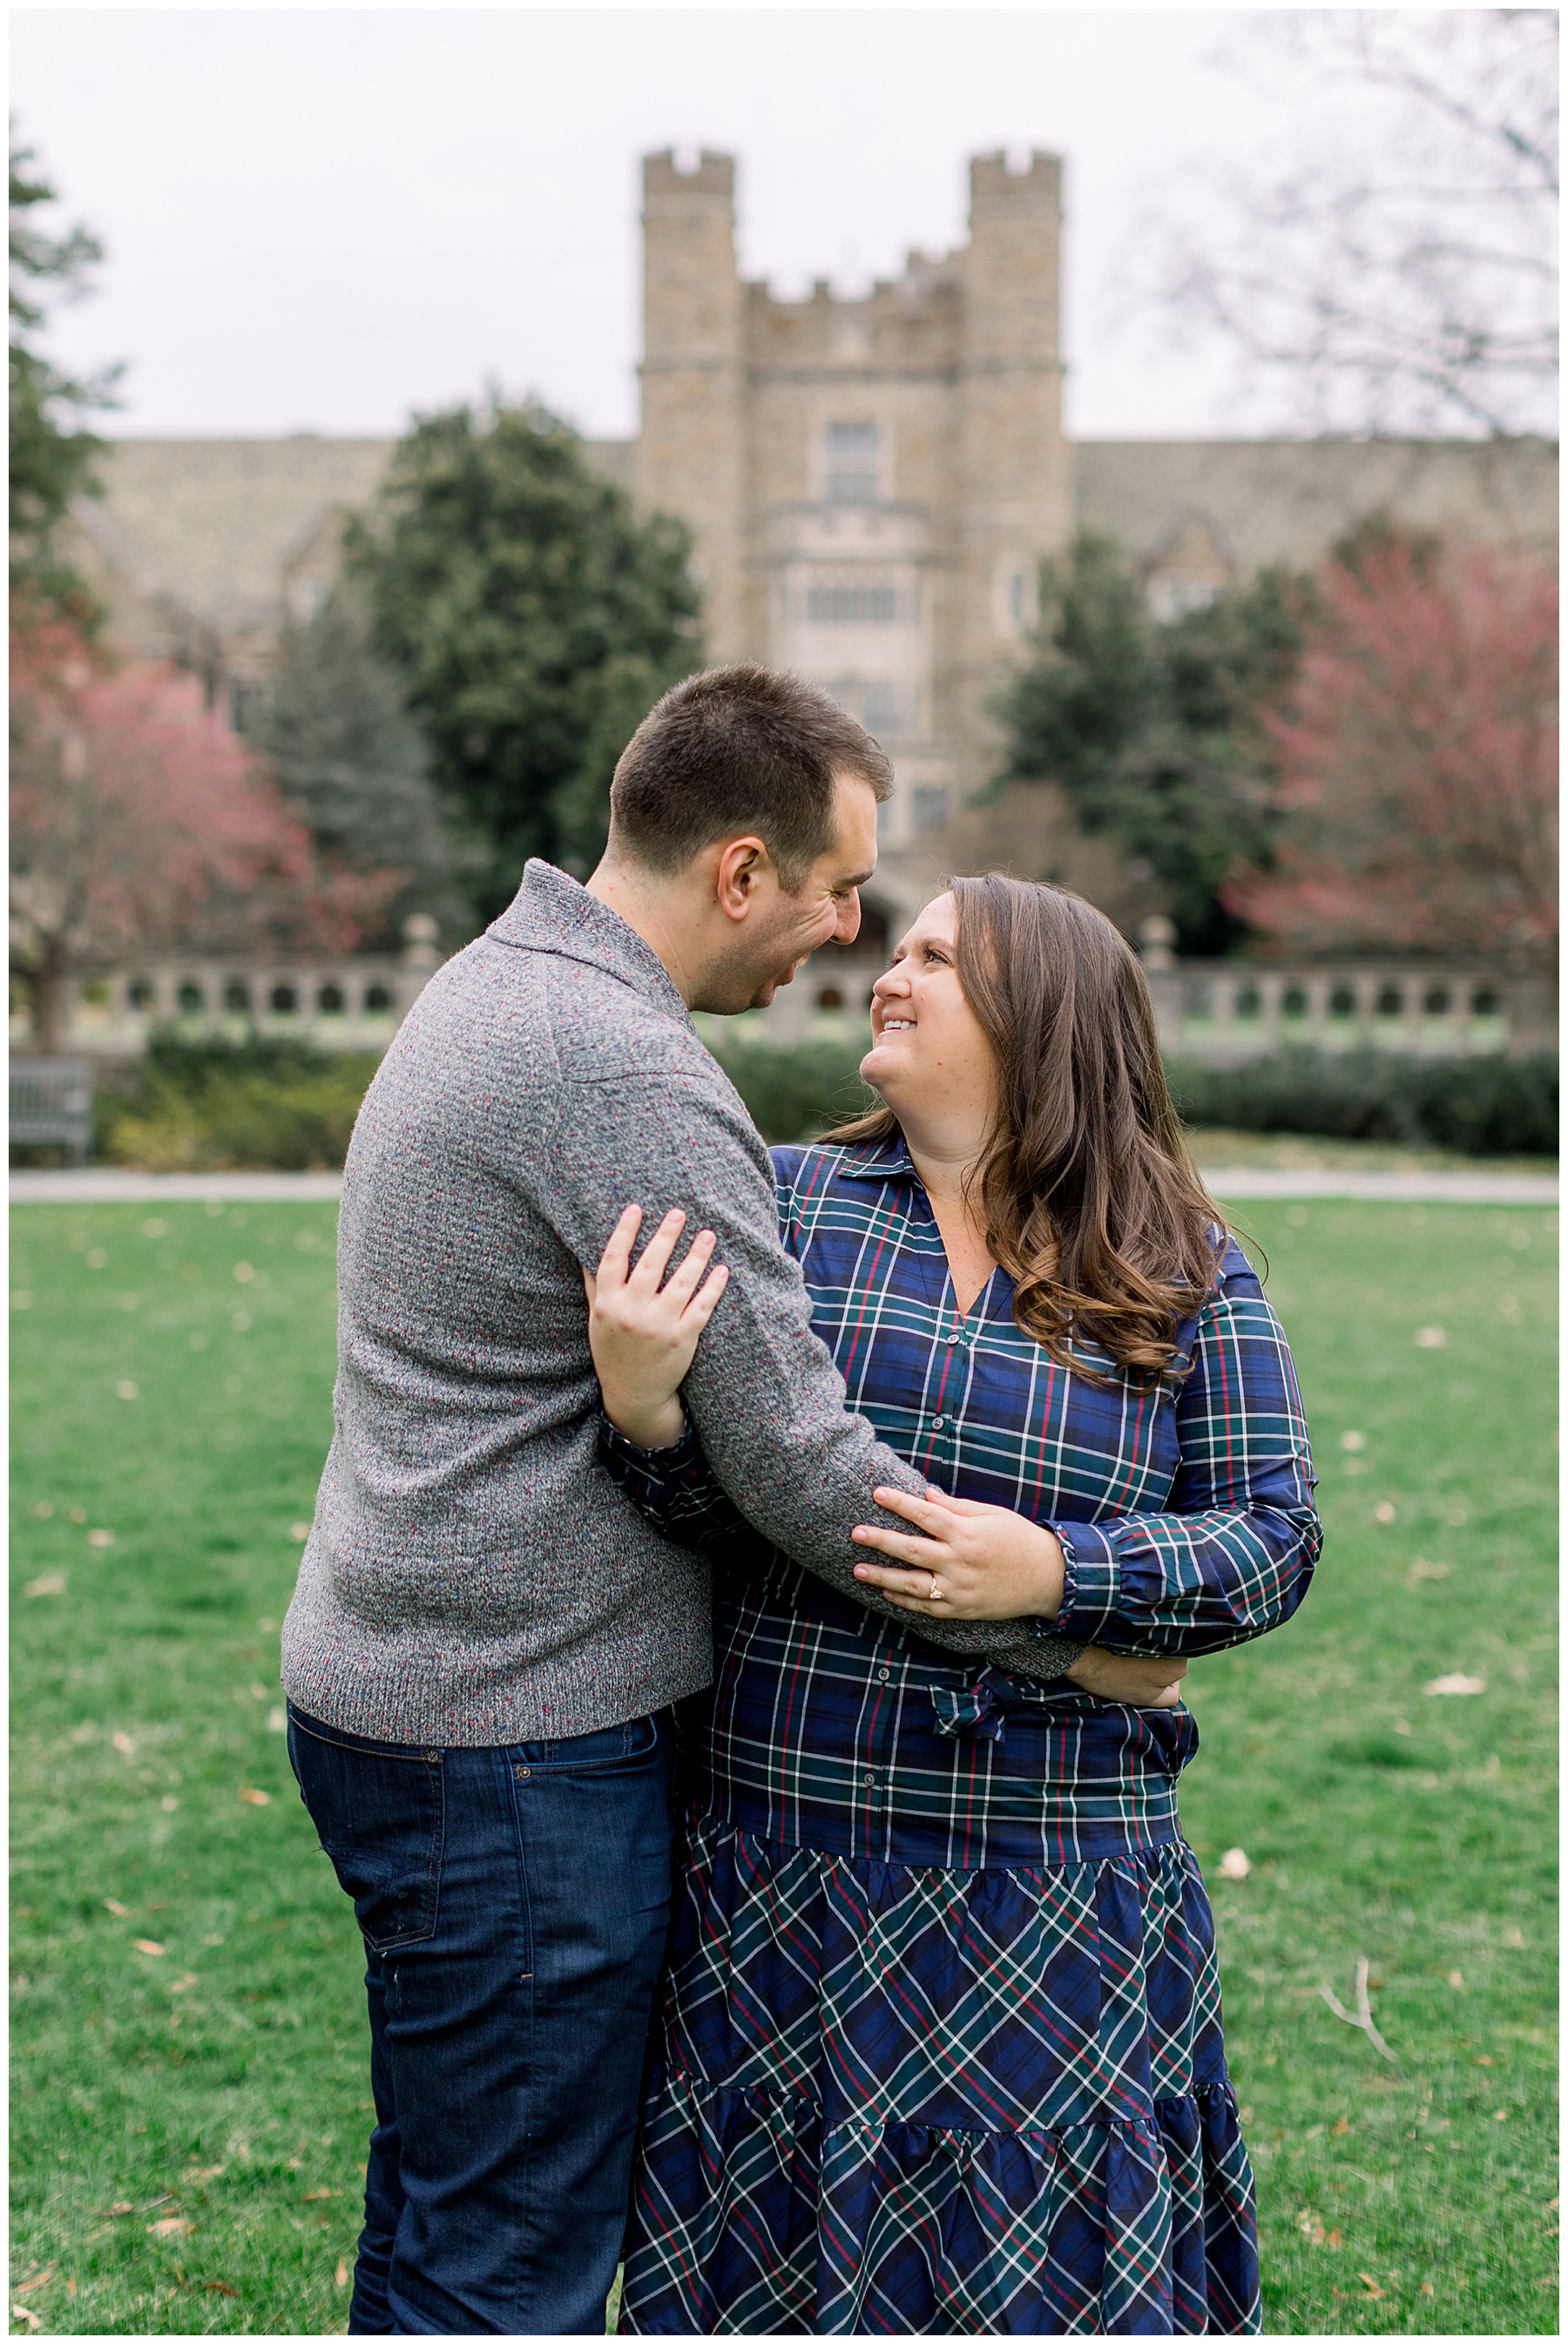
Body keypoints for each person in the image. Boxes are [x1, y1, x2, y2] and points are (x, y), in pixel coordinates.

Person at [279, 667, 1165, 2336]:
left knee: (443, 2211)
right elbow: (801, 1462)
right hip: (512, 1738)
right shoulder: (614, 1064)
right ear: (741, 870)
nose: (847, 930)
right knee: (510, 2267)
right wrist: (1067, 1626)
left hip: (412, 1689)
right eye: (838, 890)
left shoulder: (511, 979)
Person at [585, 874, 1322, 2337]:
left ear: (1040, 1012)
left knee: (1037, 2270)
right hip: (791, 1865)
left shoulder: (1182, 1262)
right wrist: (645, 1414)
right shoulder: (789, 1204)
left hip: (1053, 1883)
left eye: (935, 956)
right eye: (894, 946)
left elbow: (1275, 1540)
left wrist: (1058, 1572)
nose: (886, 971)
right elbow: (710, 1516)